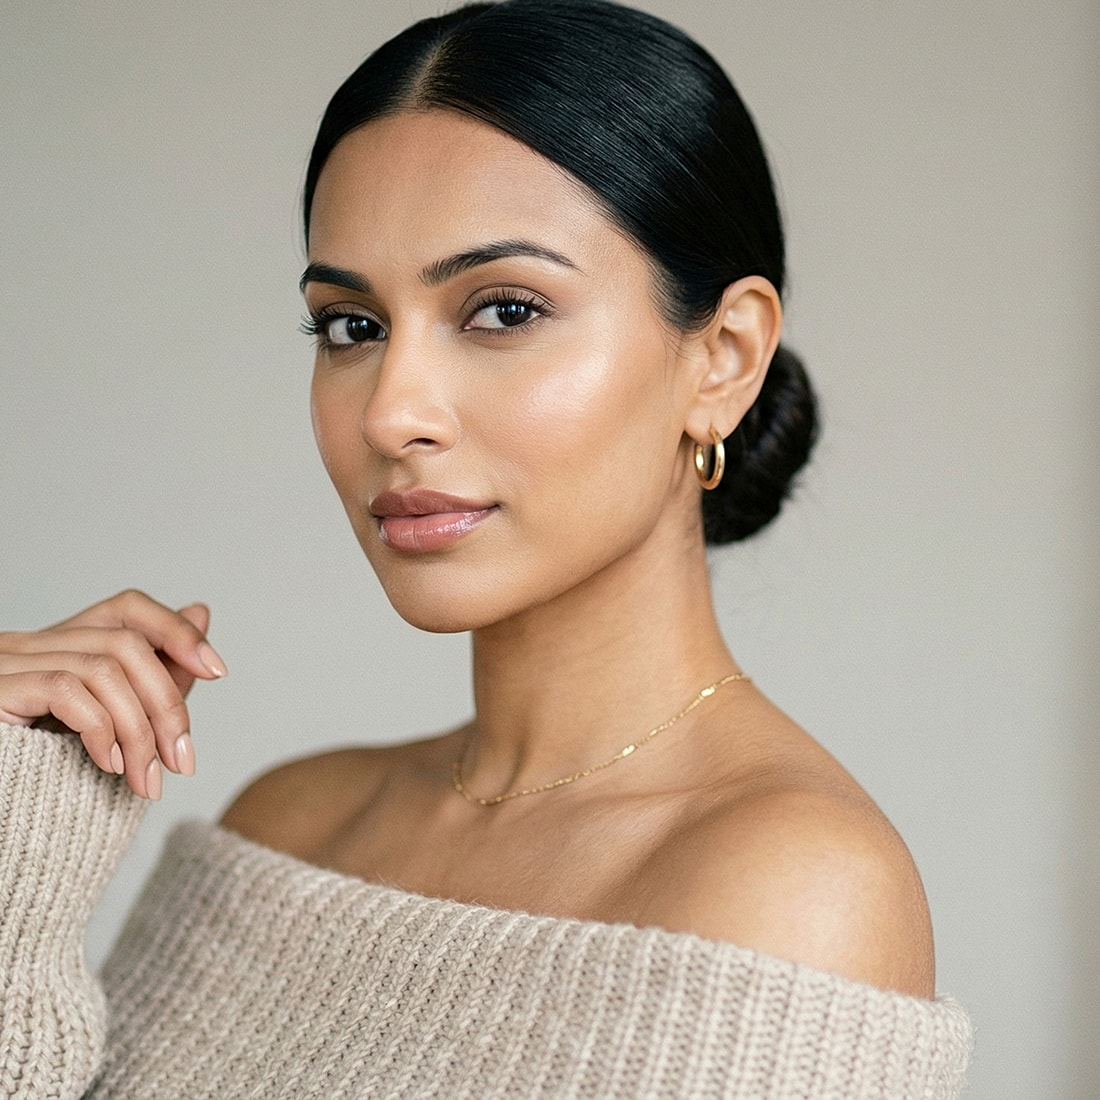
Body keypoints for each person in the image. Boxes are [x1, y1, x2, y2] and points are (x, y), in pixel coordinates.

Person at [0, 1, 972, 1096]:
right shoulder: (286, 826)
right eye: (351, 327)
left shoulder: (792, 886)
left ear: (724, 358)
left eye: (502, 308)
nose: (389, 412)